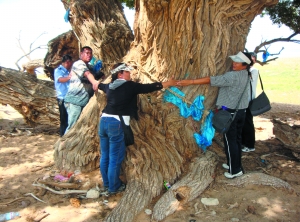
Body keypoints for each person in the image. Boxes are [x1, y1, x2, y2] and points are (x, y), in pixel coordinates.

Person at [98, 63, 177, 195]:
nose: (130, 74)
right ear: (120, 74)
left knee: (105, 155)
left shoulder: (109, 86)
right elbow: (149, 87)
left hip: (104, 121)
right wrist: (169, 83)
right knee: (114, 158)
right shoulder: (129, 86)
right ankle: (114, 187)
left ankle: (106, 183)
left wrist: (93, 80)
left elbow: (100, 85)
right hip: (116, 124)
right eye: (127, 72)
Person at [177, 51, 253, 179]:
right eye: (234, 61)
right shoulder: (246, 74)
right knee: (237, 140)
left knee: (230, 141)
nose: (234, 64)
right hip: (241, 112)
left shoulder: (232, 76)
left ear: (245, 65)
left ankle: (235, 171)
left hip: (230, 114)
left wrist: (189, 81)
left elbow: (211, 80)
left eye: (238, 62)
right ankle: (233, 164)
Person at [64, 46, 103, 134]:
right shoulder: (78, 64)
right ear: (81, 54)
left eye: (90, 53)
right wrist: (94, 82)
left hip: (83, 101)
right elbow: (87, 74)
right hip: (74, 101)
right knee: (72, 127)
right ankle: (64, 146)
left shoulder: (89, 66)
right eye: (87, 53)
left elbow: (97, 74)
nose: (89, 55)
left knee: (80, 127)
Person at [242, 52, 259, 153]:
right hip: (244, 101)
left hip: (248, 101)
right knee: (243, 123)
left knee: (248, 123)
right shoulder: (247, 70)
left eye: (252, 59)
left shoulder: (253, 70)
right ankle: (244, 143)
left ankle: (250, 145)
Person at [54, 54, 73, 136]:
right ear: (67, 62)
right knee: (63, 119)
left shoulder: (68, 71)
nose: (71, 65)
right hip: (62, 98)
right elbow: (60, 79)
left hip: (70, 98)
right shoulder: (58, 70)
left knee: (70, 118)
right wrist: (69, 77)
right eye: (70, 63)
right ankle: (62, 136)